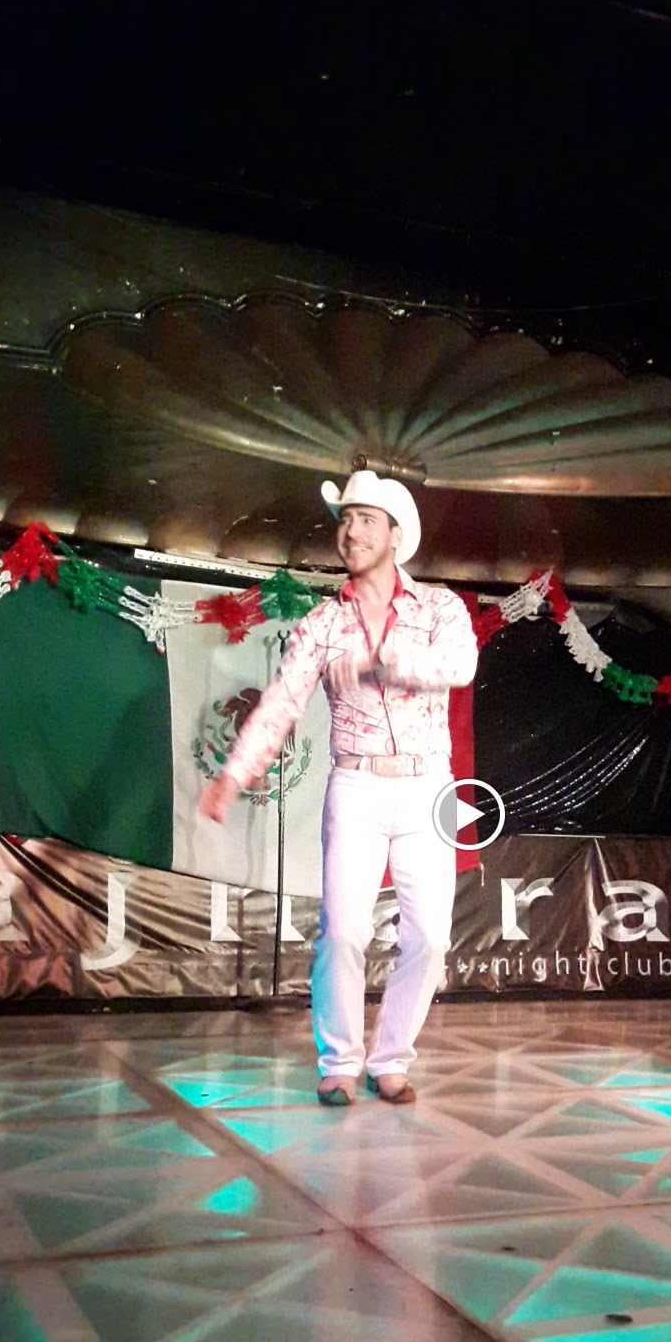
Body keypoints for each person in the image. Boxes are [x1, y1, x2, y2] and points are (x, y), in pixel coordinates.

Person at [199, 469, 478, 1106]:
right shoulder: (323, 623)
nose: (351, 532)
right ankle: (340, 1061)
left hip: (429, 786)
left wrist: (385, 661)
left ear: (395, 535)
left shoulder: (439, 607)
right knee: (345, 932)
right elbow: (281, 702)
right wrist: (234, 774)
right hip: (357, 783)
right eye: (345, 520)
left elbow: (460, 664)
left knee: (431, 937)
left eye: (365, 520)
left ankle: (392, 1059)